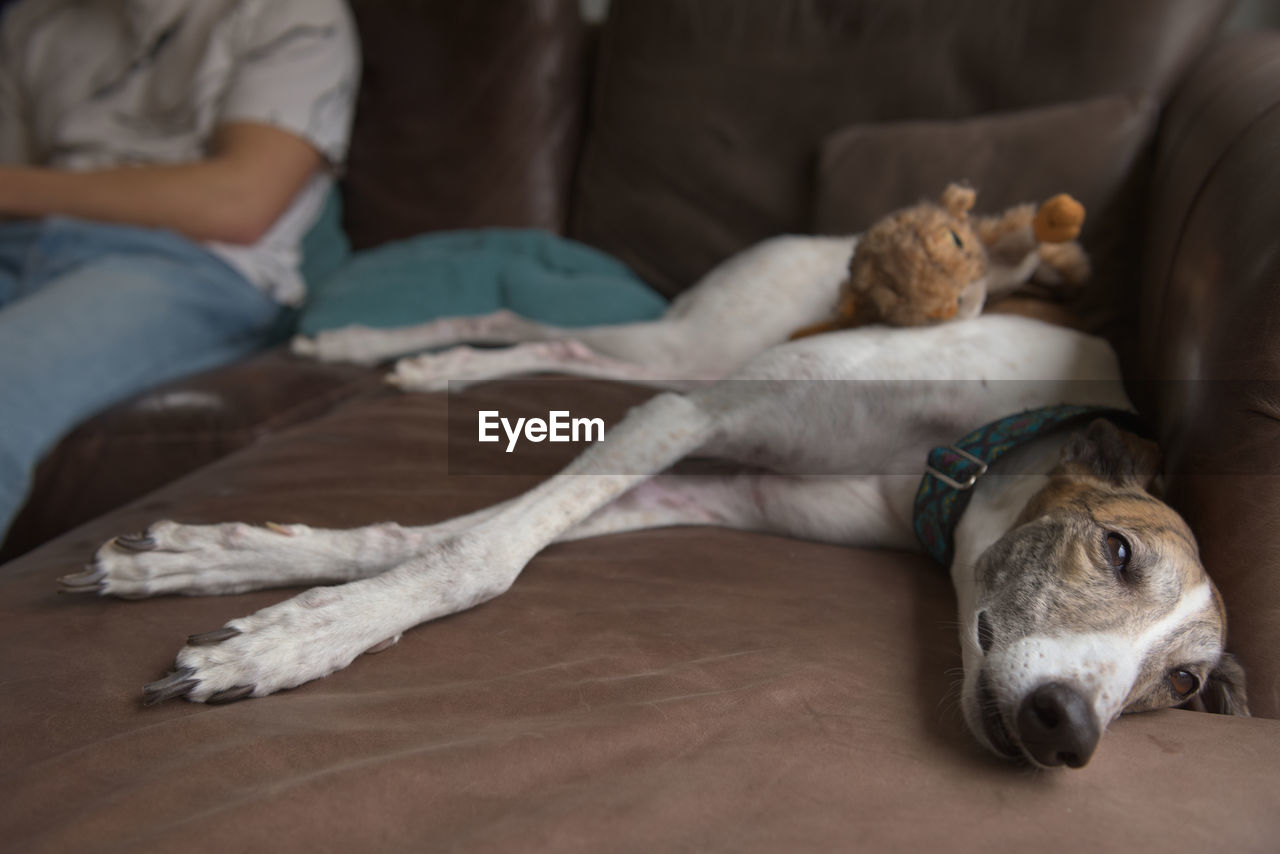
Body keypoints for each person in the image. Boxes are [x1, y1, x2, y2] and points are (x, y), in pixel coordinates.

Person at [0, 0, 360, 540]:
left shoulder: (288, 11)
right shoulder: (32, 21)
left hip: (190, 264)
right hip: (20, 241)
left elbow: (238, 203)